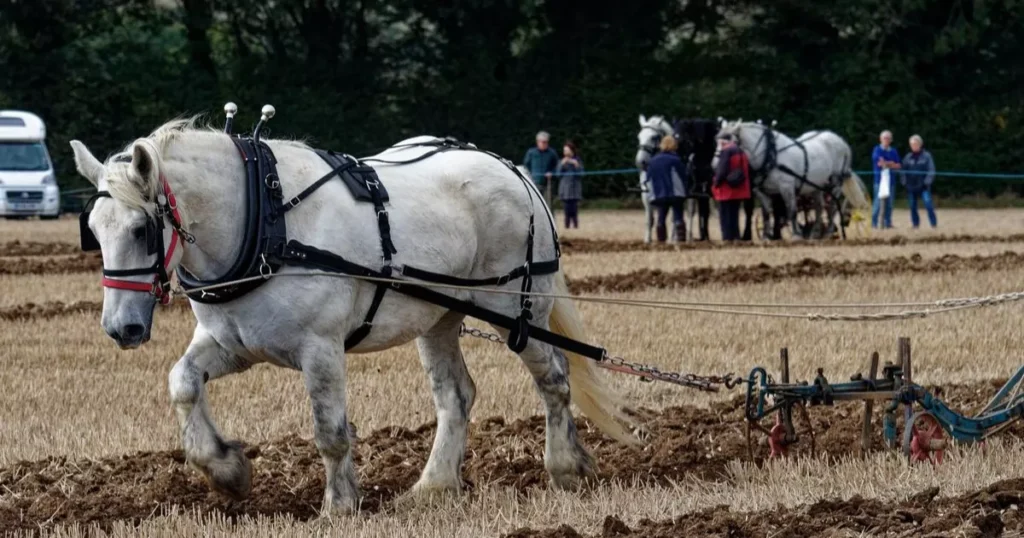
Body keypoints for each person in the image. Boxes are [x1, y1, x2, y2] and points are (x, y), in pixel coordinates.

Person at [645, 135, 689, 242]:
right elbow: (683, 176)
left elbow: (648, 178)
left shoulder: (653, 161)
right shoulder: (676, 160)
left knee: (661, 217)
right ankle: (681, 239)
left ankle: (661, 241)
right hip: (675, 194)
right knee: (678, 216)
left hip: (659, 194)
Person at [713, 134, 752, 241]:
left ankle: (727, 238)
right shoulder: (740, 150)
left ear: (722, 141)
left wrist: (716, 183)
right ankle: (736, 236)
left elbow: (722, 169)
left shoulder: (726, 151)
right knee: (734, 215)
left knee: (725, 216)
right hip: (739, 188)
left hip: (726, 189)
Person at [901, 134, 937, 228]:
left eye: (916, 144)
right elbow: (902, 171)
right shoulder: (907, 157)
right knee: (912, 206)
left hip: (924, 187)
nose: (914, 146)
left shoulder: (927, 156)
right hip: (911, 186)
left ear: (920, 144)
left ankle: (933, 224)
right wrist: (904, 182)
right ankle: (915, 224)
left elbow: (931, 170)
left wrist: (927, 182)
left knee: (928, 205)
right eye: (912, 144)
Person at [871, 130, 901, 229]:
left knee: (890, 204)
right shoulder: (877, 149)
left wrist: (887, 163)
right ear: (880, 139)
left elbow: (898, 165)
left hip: (891, 181)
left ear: (891, 140)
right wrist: (891, 163)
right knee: (877, 203)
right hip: (879, 181)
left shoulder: (893, 151)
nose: (886, 140)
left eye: (888, 138)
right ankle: (874, 223)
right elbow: (880, 163)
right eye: (884, 138)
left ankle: (888, 223)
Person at [556, 141, 584, 228]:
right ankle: (567, 227)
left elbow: (581, 174)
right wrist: (562, 165)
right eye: (565, 150)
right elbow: (557, 175)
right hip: (565, 190)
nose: (566, 152)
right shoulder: (561, 161)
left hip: (575, 190)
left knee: (574, 211)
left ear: (572, 151)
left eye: (567, 150)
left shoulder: (578, 161)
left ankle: (576, 227)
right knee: (567, 211)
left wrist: (576, 165)